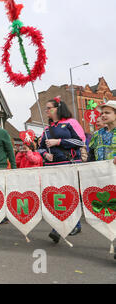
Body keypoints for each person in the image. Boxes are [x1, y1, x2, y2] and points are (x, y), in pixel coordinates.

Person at [39, 97, 86, 242]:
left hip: (69, 164)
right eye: (45, 108)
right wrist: (45, 154)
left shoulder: (72, 123)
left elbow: (80, 141)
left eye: (49, 108)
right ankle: (58, 226)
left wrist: (58, 141)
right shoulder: (46, 129)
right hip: (52, 167)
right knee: (55, 196)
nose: (46, 111)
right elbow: (39, 148)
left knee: (69, 194)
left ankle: (74, 224)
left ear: (57, 108)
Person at [89, 100, 116, 165]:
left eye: (107, 113)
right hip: (101, 173)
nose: (103, 115)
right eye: (102, 113)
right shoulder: (97, 134)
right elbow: (91, 156)